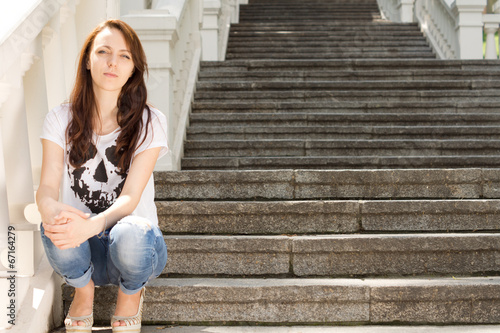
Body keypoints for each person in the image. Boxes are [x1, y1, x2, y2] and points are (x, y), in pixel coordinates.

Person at [36, 19, 168, 333]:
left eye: (124, 55)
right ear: (88, 59)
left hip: (135, 246)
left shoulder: (150, 121)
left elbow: (130, 197)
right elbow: (47, 186)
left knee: (134, 230)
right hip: (83, 247)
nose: (112, 62)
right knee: (54, 220)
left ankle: (131, 293)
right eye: (104, 51)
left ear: (134, 67)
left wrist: (92, 224)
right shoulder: (60, 119)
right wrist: (50, 209)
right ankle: (83, 290)